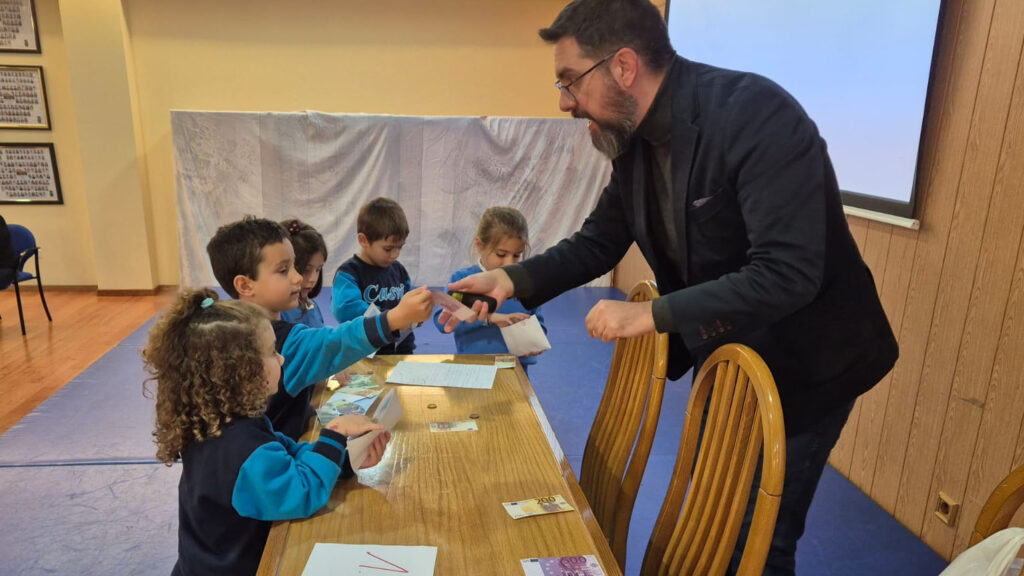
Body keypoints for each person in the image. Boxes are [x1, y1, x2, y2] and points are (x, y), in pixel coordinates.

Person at [439, 1, 899, 573]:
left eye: (569, 80)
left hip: (812, 361)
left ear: (623, 66)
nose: (563, 102)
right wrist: (507, 279)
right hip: (732, 357)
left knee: (757, 542)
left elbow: (787, 273)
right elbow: (597, 243)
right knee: (716, 523)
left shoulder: (755, 115)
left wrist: (650, 316)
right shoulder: (633, 142)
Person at [144, 289, 391, 576]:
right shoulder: (243, 449)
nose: (283, 360)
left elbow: (289, 455)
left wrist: (343, 459)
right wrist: (334, 435)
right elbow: (300, 494)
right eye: (273, 353)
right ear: (242, 372)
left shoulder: (225, 421)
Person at [206, 216, 433, 440]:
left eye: (295, 266)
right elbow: (335, 343)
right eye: (284, 270)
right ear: (245, 285)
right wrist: (394, 318)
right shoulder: (279, 341)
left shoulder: (230, 328)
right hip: (276, 461)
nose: (298, 278)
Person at [432, 206, 546, 372]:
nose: (509, 263)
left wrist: (531, 336)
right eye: (501, 254)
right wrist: (490, 317)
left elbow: (540, 326)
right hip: (472, 368)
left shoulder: (525, 283)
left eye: (516, 255)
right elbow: (442, 322)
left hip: (515, 371)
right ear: (479, 245)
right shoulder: (463, 280)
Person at [332, 197, 417, 355]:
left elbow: (409, 302)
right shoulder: (349, 273)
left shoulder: (399, 271)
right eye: (388, 248)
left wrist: (417, 314)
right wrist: (393, 318)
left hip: (401, 350)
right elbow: (347, 310)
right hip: (364, 354)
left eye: (400, 247)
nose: (395, 255)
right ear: (363, 240)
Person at [279, 219, 327, 328]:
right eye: (306, 270)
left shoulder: (313, 306)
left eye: (318, 269)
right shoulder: (278, 313)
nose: (313, 279)